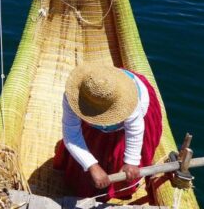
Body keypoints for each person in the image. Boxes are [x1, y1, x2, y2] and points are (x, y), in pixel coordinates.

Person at [53, 63, 163, 199]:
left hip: (131, 112)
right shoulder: (75, 96)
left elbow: (135, 130)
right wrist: (92, 165)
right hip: (104, 106)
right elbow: (71, 133)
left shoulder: (130, 100)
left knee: (123, 162)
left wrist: (131, 161)